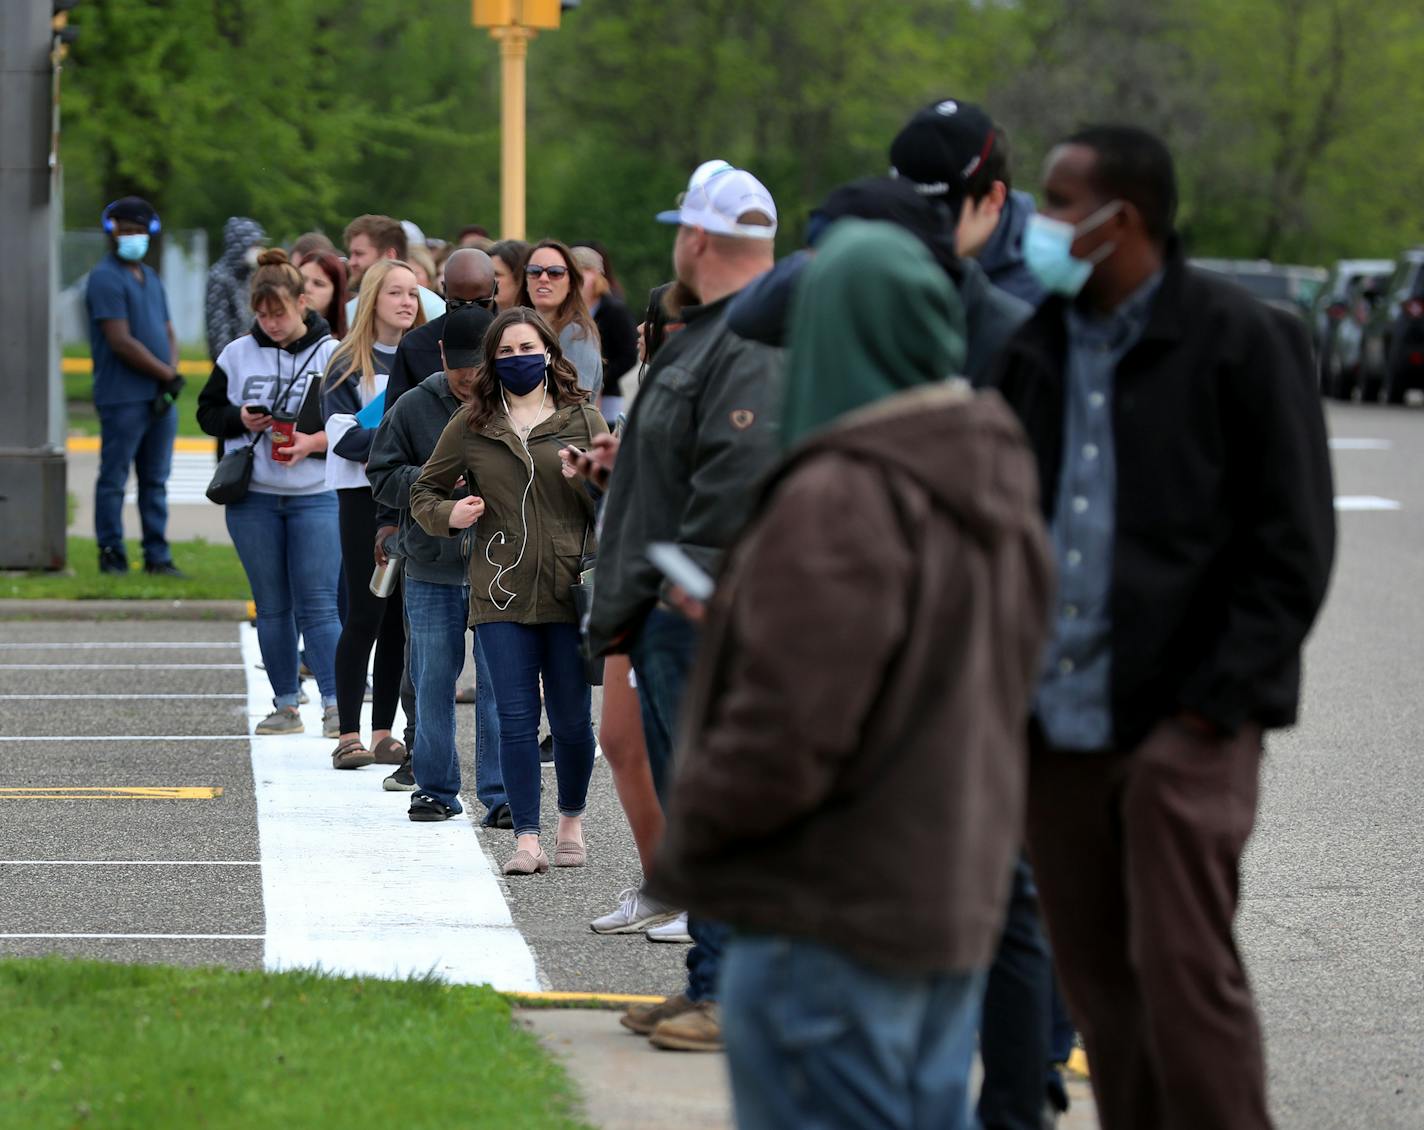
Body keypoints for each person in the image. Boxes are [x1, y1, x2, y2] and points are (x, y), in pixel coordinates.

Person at [649, 217, 1053, 1130]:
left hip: (826, 909)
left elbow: (788, 729)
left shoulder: (841, 493)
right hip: (945, 895)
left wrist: (698, 850)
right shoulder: (993, 473)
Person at [991, 124, 1336, 1130]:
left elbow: (1291, 548)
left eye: (1055, 201)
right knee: (1100, 992)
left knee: (1184, 979)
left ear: (1120, 220)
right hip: (1052, 732)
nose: (1037, 222)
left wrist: (1207, 706)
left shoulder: (1242, 338)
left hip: (1181, 730)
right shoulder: (1034, 348)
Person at [586, 161, 783, 1052]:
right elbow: (690, 456)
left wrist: (685, 583)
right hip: (675, 600)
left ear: (697, 238)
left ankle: (733, 994)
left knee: (714, 803)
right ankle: (710, 981)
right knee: (694, 801)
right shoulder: (718, 330)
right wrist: (620, 471)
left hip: (699, 613)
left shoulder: (749, 334)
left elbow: (740, 471)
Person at [410, 308, 606, 867]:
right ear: (492, 362)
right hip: (499, 590)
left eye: (528, 348)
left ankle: (570, 819)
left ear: (548, 352)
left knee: (571, 720)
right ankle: (526, 837)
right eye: (507, 352)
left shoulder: (583, 417)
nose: (518, 359)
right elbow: (423, 490)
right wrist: (451, 513)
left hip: (571, 590)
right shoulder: (473, 425)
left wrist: (592, 481)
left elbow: (622, 499)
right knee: (514, 720)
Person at [368, 306, 509, 825]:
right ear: (443, 355)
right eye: (459, 367)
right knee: (430, 680)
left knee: (499, 684)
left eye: (479, 366)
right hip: (431, 564)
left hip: (498, 565)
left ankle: (501, 794)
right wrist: (433, 481)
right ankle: (434, 788)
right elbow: (380, 474)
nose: (469, 378)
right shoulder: (413, 405)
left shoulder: (513, 403)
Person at [197, 249, 342, 737]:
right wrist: (239, 418)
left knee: (319, 603)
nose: (270, 323)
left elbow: (358, 421)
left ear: (302, 302)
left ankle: (335, 704)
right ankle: (285, 704)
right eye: (261, 314)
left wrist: (315, 443)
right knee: (271, 604)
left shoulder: (333, 353)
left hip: (316, 493)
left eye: (278, 312)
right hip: (253, 496)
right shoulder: (237, 353)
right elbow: (206, 413)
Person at [322, 258, 425, 770]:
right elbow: (343, 439)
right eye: (395, 293)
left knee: (400, 621)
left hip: (411, 496)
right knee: (365, 612)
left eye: (414, 293)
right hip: (361, 499)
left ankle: (384, 731)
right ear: (371, 300)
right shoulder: (347, 362)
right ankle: (347, 732)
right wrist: (398, 441)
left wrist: (389, 445)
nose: (408, 302)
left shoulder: (426, 357)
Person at [86, 196, 184, 577]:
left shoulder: (151, 277)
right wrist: (166, 373)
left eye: (139, 231)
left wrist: (170, 370)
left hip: (158, 396)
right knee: (114, 478)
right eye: (126, 230)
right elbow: (120, 340)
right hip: (122, 396)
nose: (133, 237)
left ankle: (157, 555)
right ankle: (111, 552)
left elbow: (168, 330)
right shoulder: (105, 278)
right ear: (112, 232)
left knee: (155, 481)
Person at [892, 97, 1046, 307]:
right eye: (908, 213)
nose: (920, 234)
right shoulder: (882, 260)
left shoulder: (1045, 293)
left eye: (940, 217)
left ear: (993, 199)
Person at [384, 249, 497, 415]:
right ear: (444, 289)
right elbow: (393, 422)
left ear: (494, 289)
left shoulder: (515, 338)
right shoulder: (415, 345)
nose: (469, 311)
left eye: (480, 303)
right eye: (457, 304)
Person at [516, 240, 603, 397]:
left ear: (571, 283)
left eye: (555, 272)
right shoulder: (516, 329)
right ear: (526, 281)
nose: (543, 278)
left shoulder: (577, 334)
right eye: (534, 271)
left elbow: (575, 404)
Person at [572, 245, 638, 420]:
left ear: (595, 274)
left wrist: (599, 380)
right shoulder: (568, 311)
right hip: (574, 399)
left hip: (608, 401)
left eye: (582, 271)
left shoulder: (614, 310)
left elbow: (628, 355)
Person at [343, 213, 446, 324]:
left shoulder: (433, 310)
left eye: (359, 254)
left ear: (390, 256)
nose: (351, 262)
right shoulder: (348, 311)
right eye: (351, 254)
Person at [205, 217, 267, 361]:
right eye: (254, 244)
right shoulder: (220, 277)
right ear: (240, 245)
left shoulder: (249, 275)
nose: (258, 250)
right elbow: (218, 330)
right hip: (233, 363)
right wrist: (227, 366)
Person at [298, 251, 350, 341]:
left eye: (318, 284)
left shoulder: (342, 345)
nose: (307, 288)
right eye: (302, 280)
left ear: (335, 294)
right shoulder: (274, 331)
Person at [488, 241, 529, 313]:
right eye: (486, 274)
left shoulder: (539, 322)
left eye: (496, 274)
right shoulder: (480, 320)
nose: (487, 280)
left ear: (520, 278)